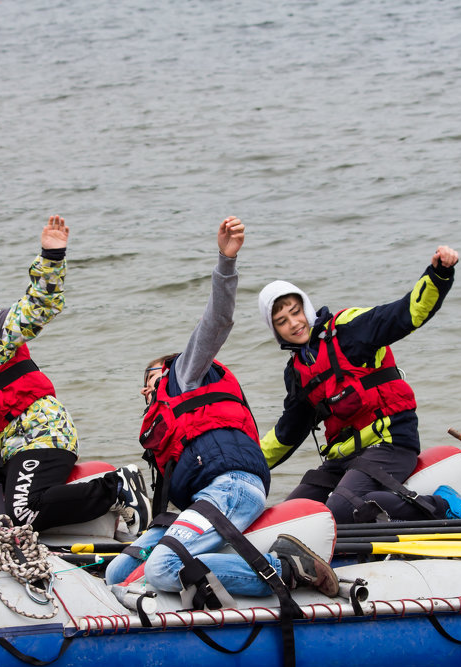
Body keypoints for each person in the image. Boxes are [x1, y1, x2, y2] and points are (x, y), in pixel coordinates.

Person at [105, 217, 338, 605]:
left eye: (151, 378)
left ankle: (287, 568)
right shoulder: (164, 424)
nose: (146, 388)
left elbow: (216, 322)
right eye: (143, 386)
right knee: (118, 571)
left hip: (231, 487)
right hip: (209, 495)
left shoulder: (185, 373)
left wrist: (225, 263)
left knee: (162, 569)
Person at [0, 215, 151, 534]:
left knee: (21, 511)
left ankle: (117, 488)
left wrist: (52, 257)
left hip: (41, 434)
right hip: (6, 454)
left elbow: (37, 308)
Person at [257, 246, 461, 524]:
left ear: (306, 307)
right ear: (275, 330)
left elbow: (407, 313)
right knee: (289, 515)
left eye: (296, 312)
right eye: (282, 321)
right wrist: (243, 464)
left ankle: (442, 506)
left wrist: (439, 274)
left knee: (341, 508)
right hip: (344, 459)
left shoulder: (349, 329)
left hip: (390, 443)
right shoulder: (297, 371)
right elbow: (286, 434)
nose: (294, 323)